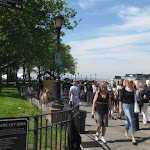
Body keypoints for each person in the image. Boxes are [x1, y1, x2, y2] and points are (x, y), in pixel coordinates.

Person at [119, 78, 137, 145]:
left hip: (132, 105)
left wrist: (135, 86)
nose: (132, 83)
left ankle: (126, 130)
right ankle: (133, 137)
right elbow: (120, 99)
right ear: (127, 82)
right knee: (130, 119)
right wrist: (120, 108)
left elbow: (137, 94)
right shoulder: (123, 90)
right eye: (130, 82)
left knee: (129, 119)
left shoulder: (133, 90)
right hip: (125, 105)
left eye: (132, 82)